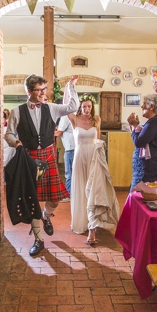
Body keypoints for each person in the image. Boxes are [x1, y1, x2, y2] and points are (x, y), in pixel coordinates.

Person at [5, 74, 78, 256]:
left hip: (47, 156)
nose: (43, 93)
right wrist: (16, 143)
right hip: (28, 158)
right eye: (39, 90)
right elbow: (9, 134)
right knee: (32, 199)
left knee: (55, 198)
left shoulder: (51, 108)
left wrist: (70, 87)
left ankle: (46, 216)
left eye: (44, 89)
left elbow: (73, 107)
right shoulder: (17, 112)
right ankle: (38, 239)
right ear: (29, 91)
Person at [68, 96, 118, 244]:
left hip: (94, 156)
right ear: (79, 107)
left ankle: (93, 224)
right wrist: (71, 87)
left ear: (92, 107)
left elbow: (98, 138)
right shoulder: (74, 119)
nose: (86, 109)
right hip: (80, 156)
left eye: (89, 106)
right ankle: (81, 222)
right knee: (81, 187)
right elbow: (67, 107)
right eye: (84, 107)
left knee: (94, 189)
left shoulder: (97, 119)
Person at [128, 93, 157, 185]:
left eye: (144, 104)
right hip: (147, 170)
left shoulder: (155, 122)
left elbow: (139, 142)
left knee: (140, 197)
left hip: (150, 171)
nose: (142, 106)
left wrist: (135, 126)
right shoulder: (154, 121)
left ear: (152, 106)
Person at [55, 114, 75, 196]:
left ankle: (69, 194)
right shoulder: (72, 114)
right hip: (74, 148)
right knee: (73, 173)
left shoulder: (65, 116)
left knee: (69, 173)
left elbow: (59, 133)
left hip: (70, 149)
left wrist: (44, 134)